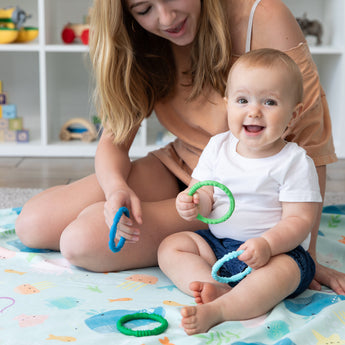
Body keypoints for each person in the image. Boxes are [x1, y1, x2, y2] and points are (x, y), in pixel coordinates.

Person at [15, 0, 344, 294]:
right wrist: (116, 189)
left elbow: (310, 145)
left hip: (233, 194)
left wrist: (305, 256)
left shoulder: (263, 15)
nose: (166, 17)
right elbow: (113, 143)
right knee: (32, 223)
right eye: (144, 9)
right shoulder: (141, 39)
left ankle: (209, 235)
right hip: (181, 164)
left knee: (81, 240)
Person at [158, 48, 322, 335]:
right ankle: (214, 286)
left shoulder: (294, 161)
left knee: (285, 272)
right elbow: (207, 195)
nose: (254, 111)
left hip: (274, 254)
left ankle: (220, 310)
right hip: (218, 246)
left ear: (293, 115)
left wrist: (268, 245)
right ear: (228, 105)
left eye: (269, 102)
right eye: (242, 100)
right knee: (172, 246)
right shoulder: (217, 147)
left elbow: (299, 221)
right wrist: (194, 203)